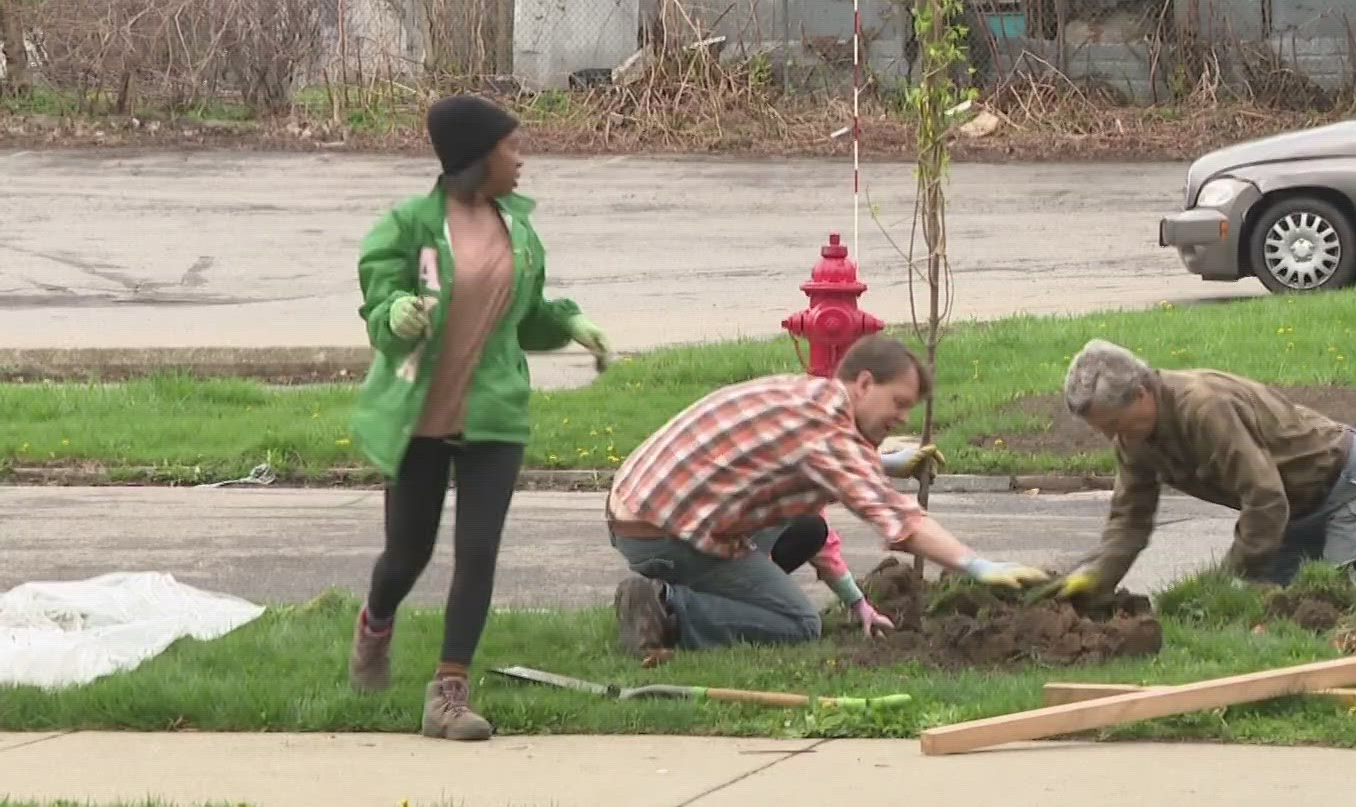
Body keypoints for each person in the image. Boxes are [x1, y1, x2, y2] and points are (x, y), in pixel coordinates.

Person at [345, 94, 613, 742]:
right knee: (407, 555)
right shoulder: (407, 225)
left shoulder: (517, 228)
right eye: (511, 147)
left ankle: (449, 693)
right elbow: (380, 299)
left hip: (494, 412)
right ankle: (375, 625)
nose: (521, 159)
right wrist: (396, 315)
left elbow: (529, 312)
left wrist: (571, 322)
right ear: (475, 156)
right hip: (420, 414)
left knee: (478, 551)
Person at [604, 334, 1043, 653]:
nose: (903, 417)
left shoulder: (811, 394)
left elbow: (809, 470)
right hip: (661, 532)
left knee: (808, 526)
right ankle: (667, 607)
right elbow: (900, 522)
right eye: (899, 402)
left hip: (643, 506)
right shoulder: (828, 435)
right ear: (865, 383)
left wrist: (885, 464)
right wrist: (978, 565)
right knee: (798, 624)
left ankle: (681, 591)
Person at [1036, 340, 1356, 611]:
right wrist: (1096, 576)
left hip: (1351, 479)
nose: (1112, 438)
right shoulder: (1134, 438)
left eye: (1114, 424)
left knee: (1349, 612)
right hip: (1291, 507)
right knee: (1280, 616)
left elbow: (1264, 498)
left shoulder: (1203, 408)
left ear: (1141, 393)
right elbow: (1130, 522)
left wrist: (1226, 579)